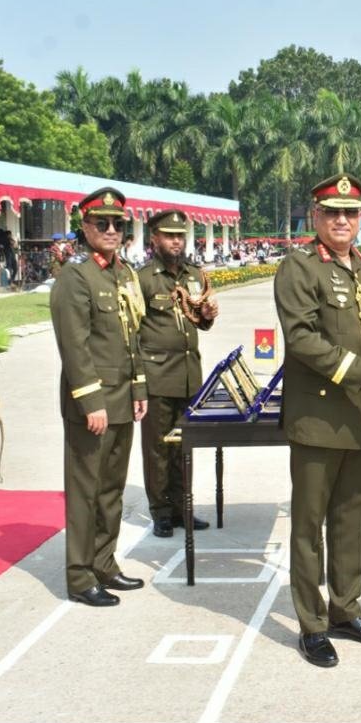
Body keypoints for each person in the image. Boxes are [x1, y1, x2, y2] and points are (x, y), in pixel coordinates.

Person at [273, 172, 361, 668]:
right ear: (316, 216)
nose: (342, 221)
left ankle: (345, 610)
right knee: (310, 523)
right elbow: (302, 338)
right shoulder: (301, 267)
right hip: (318, 415)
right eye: (332, 212)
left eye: (350, 213)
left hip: (360, 412)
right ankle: (312, 625)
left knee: (350, 519)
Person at [49, 187, 149, 607]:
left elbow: (133, 336)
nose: (111, 230)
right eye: (101, 223)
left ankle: (105, 562)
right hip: (93, 402)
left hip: (124, 399)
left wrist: (139, 387)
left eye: (118, 224)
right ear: (84, 227)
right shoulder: (75, 276)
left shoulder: (123, 274)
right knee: (85, 490)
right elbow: (74, 345)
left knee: (112, 488)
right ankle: (79, 574)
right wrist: (92, 402)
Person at [137, 209, 219, 538]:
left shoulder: (192, 274)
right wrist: (138, 383)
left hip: (188, 374)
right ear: (154, 238)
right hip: (157, 377)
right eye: (169, 235)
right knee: (158, 449)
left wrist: (209, 315)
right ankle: (160, 512)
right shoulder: (143, 279)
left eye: (180, 236)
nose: (175, 241)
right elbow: (132, 333)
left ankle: (182, 507)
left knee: (184, 446)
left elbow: (198, 319)